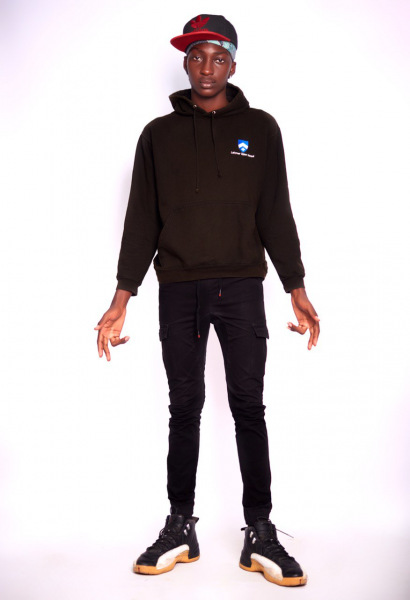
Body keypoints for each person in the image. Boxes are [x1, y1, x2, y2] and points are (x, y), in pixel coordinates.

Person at [95, 14, 320, 587]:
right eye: (196, 56)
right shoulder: (158, 135)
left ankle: (260, 531)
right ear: (185, 63)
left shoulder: (261, 129)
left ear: (233, 65)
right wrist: (122, 297)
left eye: (218, 57)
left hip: (241, 286)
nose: (206, 68)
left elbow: (275, 211)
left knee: (249, 406)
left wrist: (295, 286)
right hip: (180, 289)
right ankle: (180, 525)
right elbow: (141, 220)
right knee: (184, 408)